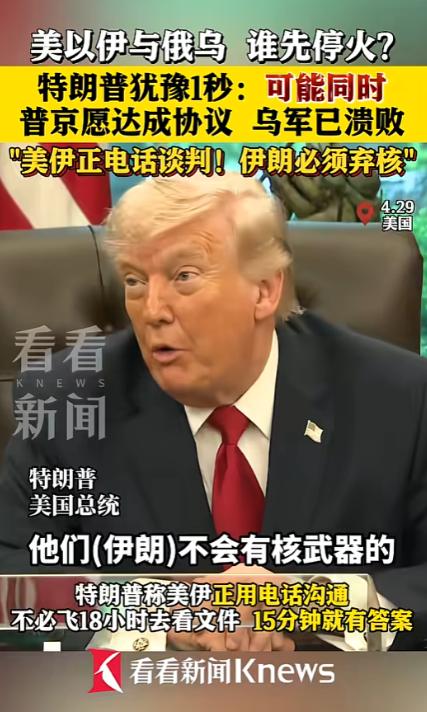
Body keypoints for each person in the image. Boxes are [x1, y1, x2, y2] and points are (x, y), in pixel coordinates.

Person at [0, 173, 427, 652]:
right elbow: (13, 581)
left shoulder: (399, 398)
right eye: (135, 281)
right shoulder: (67, 402)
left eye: (184, 277)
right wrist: (156, 617)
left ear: (263, 291)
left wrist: (315, 606)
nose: (153, 310)